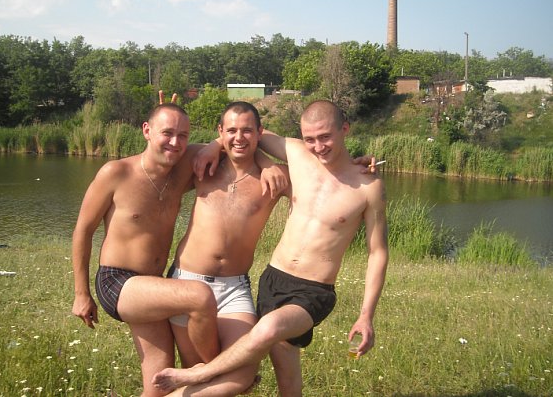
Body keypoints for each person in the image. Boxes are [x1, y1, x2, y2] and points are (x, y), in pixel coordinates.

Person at [152, 100, 389, 397]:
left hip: (314, 289)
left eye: (325, 137)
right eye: (310, 139)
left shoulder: (368, 185)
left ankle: (198, 373)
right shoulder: (298, 157)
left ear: (345, 129)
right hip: (273, 280)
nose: (318, 147)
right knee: (288, 381)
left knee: (267, 329)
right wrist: (216, 145)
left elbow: (378, 252)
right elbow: (247, 136)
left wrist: (366, 315)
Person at [71, 97, 285, 397]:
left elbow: (235, 143)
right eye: (167, 133)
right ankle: (209, 370)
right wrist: (81, 293)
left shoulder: (185, 167)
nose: (175, 142)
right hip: (118, 280)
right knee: (199, 297)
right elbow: (83, 231)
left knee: (157, 385)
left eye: (183, 135)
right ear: (147, 130)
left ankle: (205, 374)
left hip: (156, 286)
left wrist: (266, 162)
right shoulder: (116, 172)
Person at [165, 101, 289, 396]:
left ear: (260, 133)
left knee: (242, 374)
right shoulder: (202, 163)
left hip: (234, 289)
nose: (239, 137)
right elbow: (158, 158)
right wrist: (213, 146)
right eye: (231, 131)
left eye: (247, 130)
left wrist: (358, 165)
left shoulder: (276, 177)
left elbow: (322, 176)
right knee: (197, 371)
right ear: (220, 131)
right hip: (188, 282)